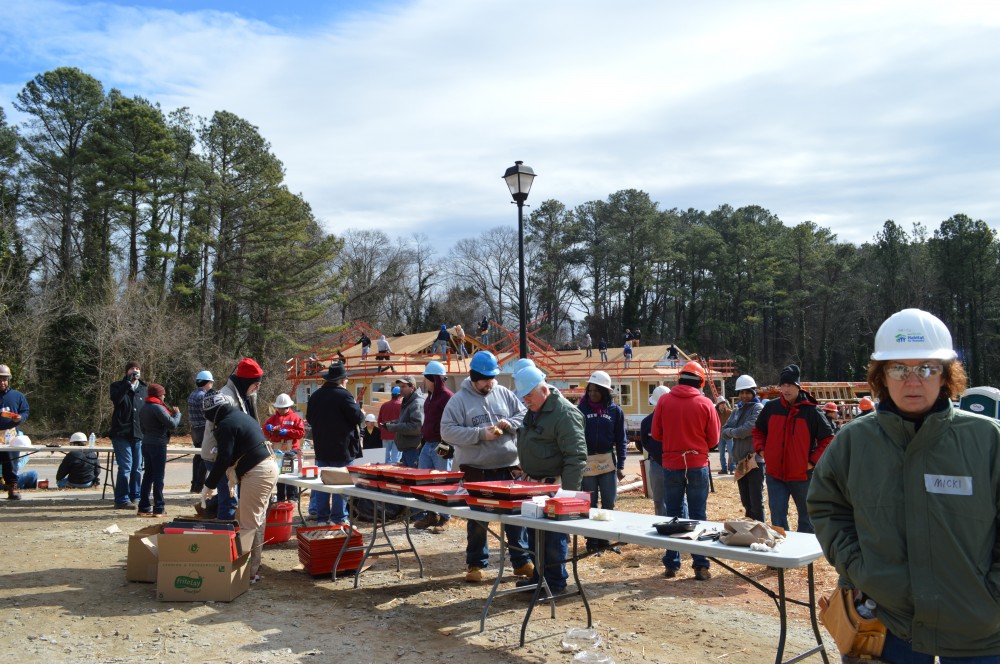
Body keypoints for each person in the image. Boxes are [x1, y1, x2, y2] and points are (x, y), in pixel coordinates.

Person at [808, 308, 1000, 661]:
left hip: (979, 629)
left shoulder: (987, 440)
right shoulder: (854, 442)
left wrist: (992, 594)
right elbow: (826, 507)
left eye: (927, 368)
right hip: (889, 625)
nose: (914, 381)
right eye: (899, 369)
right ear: (882, 376)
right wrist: (861, 569)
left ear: (945, 375)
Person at [440, 350, 534, 583]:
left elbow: (524, 415)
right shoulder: (458, 401)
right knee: (478, 520)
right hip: (476, 470)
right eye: (486, 379)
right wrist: (480, 434)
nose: (490, 383)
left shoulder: (503, 393)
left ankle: (521, 562)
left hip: (508, 467)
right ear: (474, 376)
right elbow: (447, 431)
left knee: (515, 517)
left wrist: (509, 424)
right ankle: (475, 564)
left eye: (493, 378)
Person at [514, 365, 588, 594]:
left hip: (555, 488)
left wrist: (568, 497)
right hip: (536, 486)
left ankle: (555, 583)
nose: (526, 401)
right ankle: (539, 578)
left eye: (529, 395)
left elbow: (576, 457)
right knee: (538, 535)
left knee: (554, 538)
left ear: (543, 390)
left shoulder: (564, 414)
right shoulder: (535, 409)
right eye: (523, 397)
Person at [651, 361, 719, 580]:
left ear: (679, 379)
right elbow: (714, 440)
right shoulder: (706, 403)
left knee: (674, 515)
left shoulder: (664, 401)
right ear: (700, 382)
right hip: (697, 463)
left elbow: (657, 434)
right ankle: (701, 565)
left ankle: (671, 564)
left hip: (672, 464)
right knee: (699, 514)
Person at [201, 391, 278, 584]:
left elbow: (224, 457)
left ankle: (245, 573)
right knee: (256, 521)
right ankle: (253, 569)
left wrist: (209, 484)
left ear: (213, 413)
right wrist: (232, 477)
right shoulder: (239, 417)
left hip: (258, 471)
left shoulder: (226, 424)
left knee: (248, 523)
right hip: (266, 467)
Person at [752, 363, 832, 534]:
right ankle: (782, 558)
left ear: (798, 386)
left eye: (790, 385)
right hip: (775, 475)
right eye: (783, 385)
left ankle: (804, 558)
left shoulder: (812, 412)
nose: (786, 389)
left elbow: (828, 439)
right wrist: (761, 450)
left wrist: (812, 461)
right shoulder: (771, 408)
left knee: (806, 519)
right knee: (778, 521)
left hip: (802, 475)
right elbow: (758, 430)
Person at [201, 357, 264, 519]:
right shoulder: (226, 398)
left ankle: (230, 531)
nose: (257, 388)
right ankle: (225, 537)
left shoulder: (244, 395)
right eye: (255, 384)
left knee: (233, 498)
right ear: (246, 381)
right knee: (229, 499)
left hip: (231, 456)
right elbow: (222, 439)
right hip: (219, 456)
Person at [306, 362, 365, 525]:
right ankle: (338, 518)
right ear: (342, 379)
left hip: (322, 447)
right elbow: (357, 418)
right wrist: (362, 412)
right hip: (342, 448)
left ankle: (322, 517)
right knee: (341, 485)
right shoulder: (344, 395)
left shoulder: (316, 396)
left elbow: (309, 418)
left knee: (322, 484)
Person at [577, 370, 627, 554]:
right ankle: (592, 541)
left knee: (609, 502)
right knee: (590, 503)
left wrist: (621, 464)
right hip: (588, 460)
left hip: (607, 461)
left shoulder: (615, 411)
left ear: (605, 391)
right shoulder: (581, 410)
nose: (592, 394)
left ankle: (605, 540)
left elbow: (621, 439)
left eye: (596, 391)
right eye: (590, 391)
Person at [413, 361, 455, 533]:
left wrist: (447, 444)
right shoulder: (429, 397)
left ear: (434, 379)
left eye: (426, 379)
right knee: (425, 482)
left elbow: (452, 422)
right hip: (428, 443)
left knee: (442, 482)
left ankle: (445, 518)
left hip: (441, 444)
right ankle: (432, 514)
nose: (424, 382)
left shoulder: (447, 397)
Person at [721, 375, 765, 522]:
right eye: (741, 392)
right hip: (741, 461)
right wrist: (732, 432)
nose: (744, 396)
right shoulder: (737, 409)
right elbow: (724, 430)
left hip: (755, 461)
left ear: (753, 392)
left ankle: (760, 534)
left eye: (747, 392)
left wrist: (732, 432)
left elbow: (748, 429)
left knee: (756, 503)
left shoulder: (758, 408)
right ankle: (749, 533)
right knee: (746, 502)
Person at [137, 383, 182, 516]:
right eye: (163, 393)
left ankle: (143, 507)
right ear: (158, 395)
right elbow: (172, 424)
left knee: (148, 476)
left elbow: (142, 427)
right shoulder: (158, 408)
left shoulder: (144, 407)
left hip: (146, 442)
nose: (164, 396)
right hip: (158, 444)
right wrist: (178, 414)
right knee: (158, 477)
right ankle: (159, 507)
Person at [109, 361, 147, 509]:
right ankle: (122, 499)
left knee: (137, 468)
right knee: (125, 467)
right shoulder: (117, 386)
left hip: (138, 433)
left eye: (137, 368)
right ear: (127, 372)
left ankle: (135, 496)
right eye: (132, 368)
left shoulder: (144, 389)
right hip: (121, 433)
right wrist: (127, 384)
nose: (135, 371)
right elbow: (116, 400)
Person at [263, 393, 305, 503]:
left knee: (291, 472)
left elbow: (301, 433)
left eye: (283, 408)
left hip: (291, 448)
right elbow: (265, 430)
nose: (281, 410)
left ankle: (292, 497)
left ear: (288, 407)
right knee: (278, 473)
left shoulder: (295, 418)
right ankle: (280, 497)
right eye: (279, 408)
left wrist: (288, 432)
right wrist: (269, 428)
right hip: (277, 449)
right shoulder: (273, 418)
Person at [638, 386, 670, 516]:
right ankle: (662, 527)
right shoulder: (647, 422)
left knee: (678, 499)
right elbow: (644, 442)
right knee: (659, 500)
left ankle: (679, 527)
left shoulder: (676, 420)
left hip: (675, 465)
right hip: (657, 464)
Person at [383, 375, 424, 468]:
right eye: (400, 386)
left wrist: (393, 427)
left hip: (414, 450)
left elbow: (416, 427)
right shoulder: (408, 401)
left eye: (403, 386)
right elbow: (406, 421)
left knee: (411, 479)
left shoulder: (417, 403)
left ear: (412, 387)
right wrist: (394, 423)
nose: (400, 389)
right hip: (408, 450)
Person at [1, 364, 29, 499]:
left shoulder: (17, 396)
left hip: (10, 434)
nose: (2, 382)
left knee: (11, 462)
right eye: (0, 379)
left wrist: (20, 418)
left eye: (5, 379)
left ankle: (12, 488)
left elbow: (25, 411)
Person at [187, 370, 214, 493]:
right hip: (203, 429)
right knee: (204, 458)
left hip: (194, 430)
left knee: (197, 456)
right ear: (206, 383)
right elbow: (207, 415)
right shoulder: (203, 396)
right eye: (211, 383)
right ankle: (199, 485)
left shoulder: (192, 394)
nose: (212, 385)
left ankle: (194, 485)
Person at [378, 386, 403, 463]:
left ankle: (385, 473)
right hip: (397, 436)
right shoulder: (402, 406)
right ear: (400, 395)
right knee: (395, 459)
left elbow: (379, 421)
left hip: (385, 435)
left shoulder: (384, 405)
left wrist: (383, 430)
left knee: (385, 458)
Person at [715, 396, 735, 474]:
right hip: (719, 434)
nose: (723, 405)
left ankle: (732, 468)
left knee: (731, 452)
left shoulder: (730, 412)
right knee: (721, 453)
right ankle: (724, 469)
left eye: (724, 403)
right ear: (718, 404)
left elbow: (733, 422)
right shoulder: (715, 412)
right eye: (721, 403)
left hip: (728, 433)